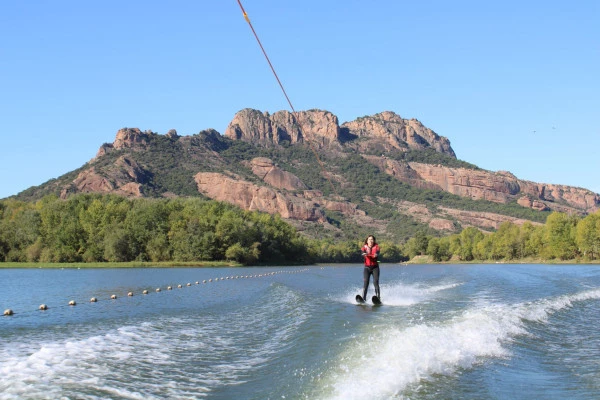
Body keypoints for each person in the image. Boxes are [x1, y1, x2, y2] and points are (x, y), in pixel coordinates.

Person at [361, 235, 381, 300]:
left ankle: (378, 297)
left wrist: (376, 254)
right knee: (366, 282)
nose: (371, 241)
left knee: (376, 282)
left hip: (375, 267)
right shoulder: (364, 247)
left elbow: (378, 251)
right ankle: (363, 298)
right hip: (367, 268)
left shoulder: (377, 247)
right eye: (369, 239)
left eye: (372, 239)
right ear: (367, 241)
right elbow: (362, 251)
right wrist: (364, 253)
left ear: (374, 240)